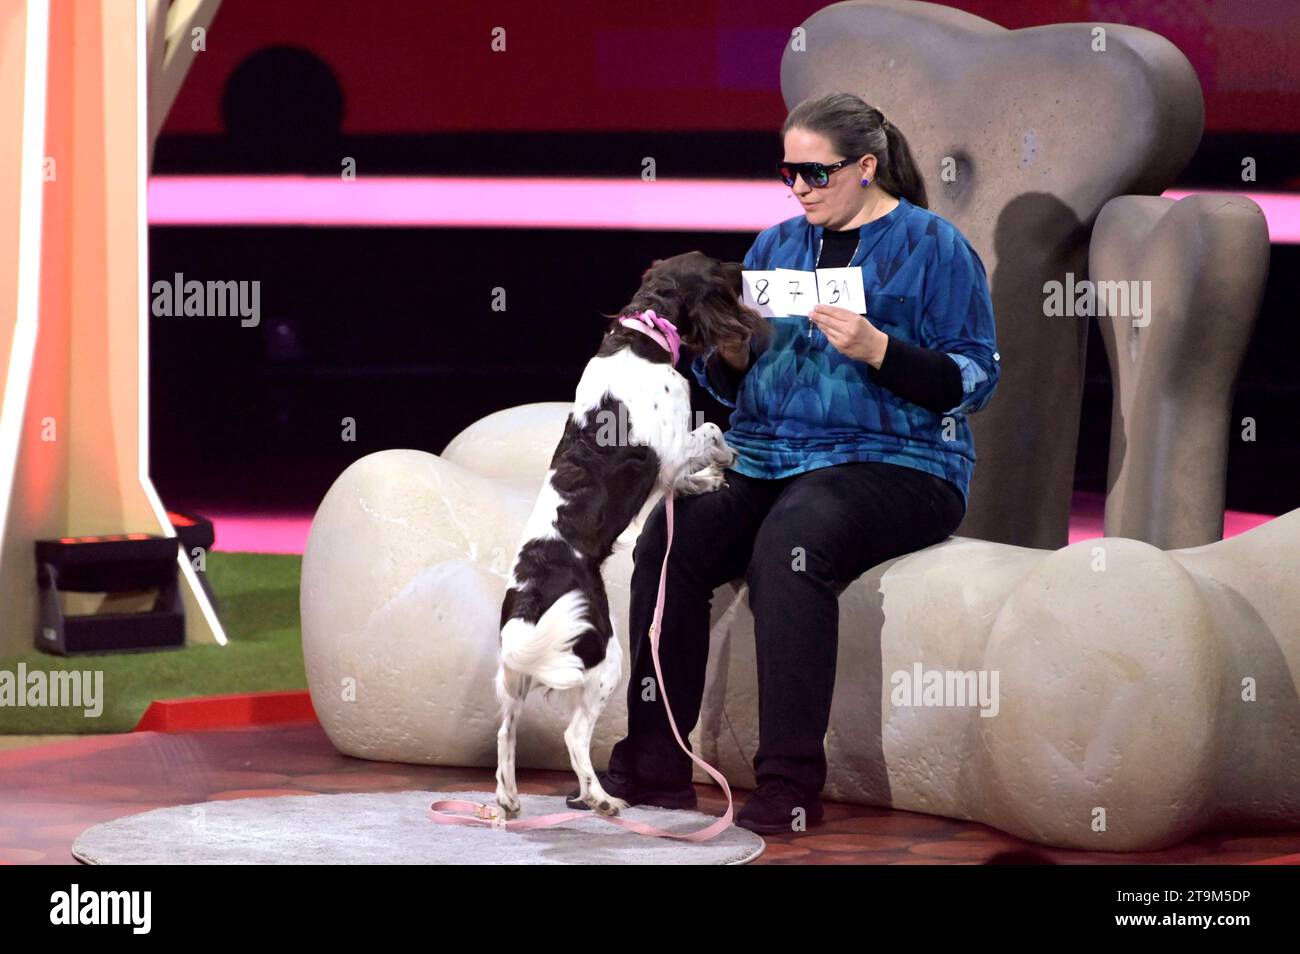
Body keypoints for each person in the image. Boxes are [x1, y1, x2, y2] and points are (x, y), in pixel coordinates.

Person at [581, 91, 1001, 834]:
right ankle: (656, 763)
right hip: (771, 455)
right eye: (789, 174)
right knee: (669, 538)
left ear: (866, 168)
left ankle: (790, 786)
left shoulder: (936, 246)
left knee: (792, 544)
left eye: (816, 173)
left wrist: (881, 351)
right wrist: (735, 355)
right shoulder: (774, 246)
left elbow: (975, 379)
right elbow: (727, 382)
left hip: (899, 461)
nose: (800, 188)